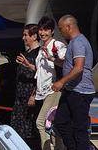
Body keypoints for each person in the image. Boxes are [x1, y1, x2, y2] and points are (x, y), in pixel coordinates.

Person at [53, 15, 95, 150]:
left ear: (69, 27)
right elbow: (70, 64)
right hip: (72, 90)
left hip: (81, 91)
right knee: (61, 122)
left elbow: (78, 68)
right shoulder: (73, 42)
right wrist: (54, 60)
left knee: (80, 128)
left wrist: (61, 82)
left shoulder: (78, 42)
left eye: (61, 29)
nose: (60, 32)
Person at [34, 16, 66, 150]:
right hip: (42, 92)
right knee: (53, 124)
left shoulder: (57, 45)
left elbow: (66, 63)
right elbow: (42, 72)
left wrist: (52, 57)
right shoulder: (42, 48)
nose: (42, 33)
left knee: (41, 123)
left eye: (46, 30)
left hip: (54, 90)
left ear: (52, 31)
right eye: (40, 30)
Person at [11, 24, 41, 149]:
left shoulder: (39, 53)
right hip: (20, 97)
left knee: (30, 131)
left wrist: (34, 95)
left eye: (26, 35)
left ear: (34, 36)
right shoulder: (27, 52)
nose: (23, 38)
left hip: (30, 97)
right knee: (18, 129)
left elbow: (41, 75)